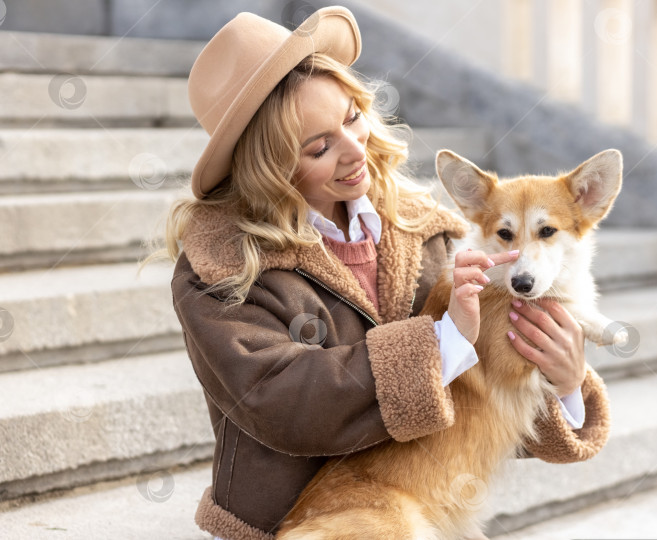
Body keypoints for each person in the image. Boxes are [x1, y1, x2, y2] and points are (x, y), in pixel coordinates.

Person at [140, 7, 609, 540]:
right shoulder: (220, 268)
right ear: (267, 166)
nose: (354, 149)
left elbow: (485, 410)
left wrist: (567, 381)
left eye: (353, 116)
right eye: (319, 146)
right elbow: (283, 401)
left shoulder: (425, 229)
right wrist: (445, 340)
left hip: (424, 498)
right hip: (299, 520)